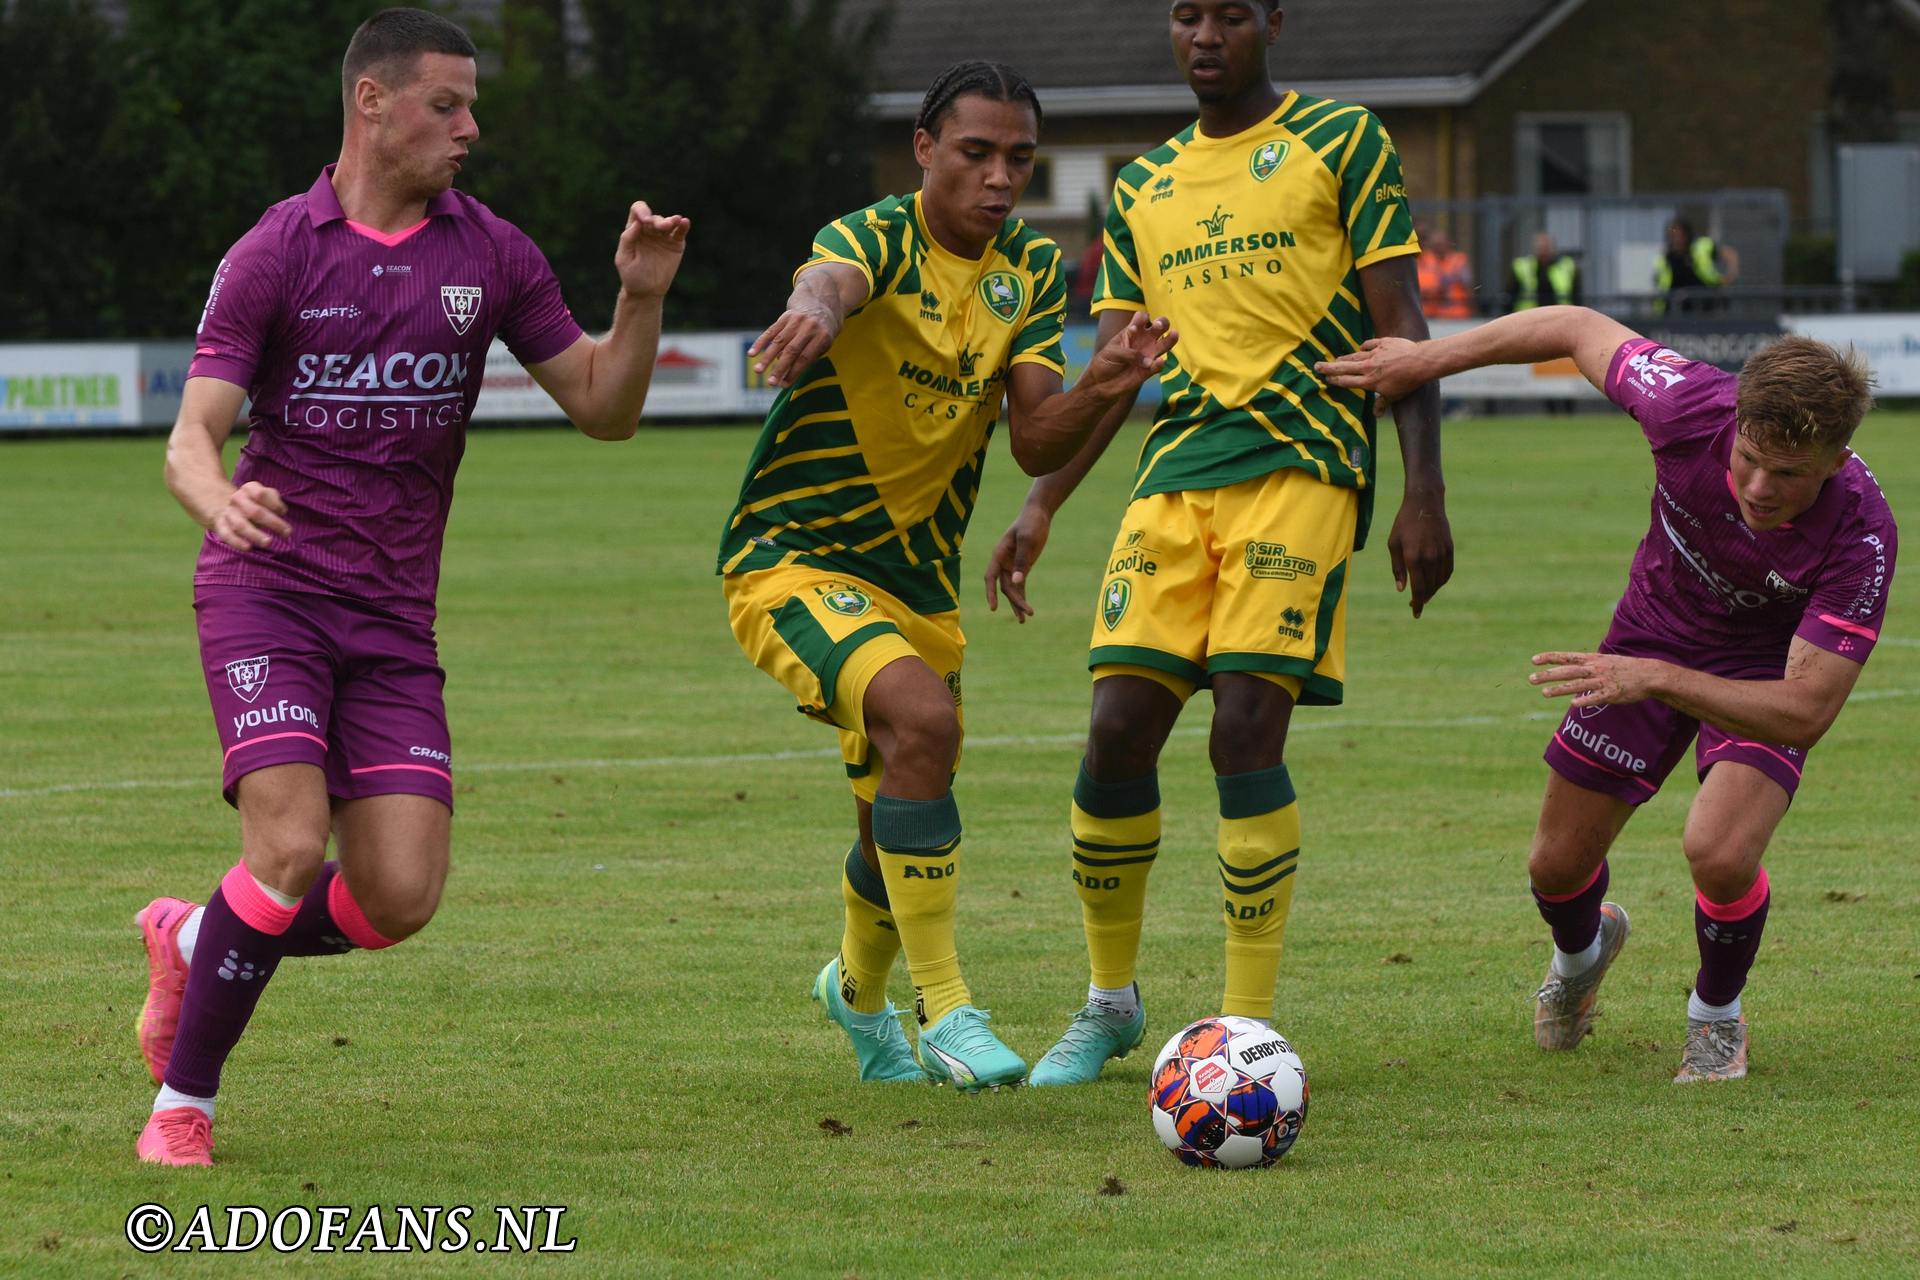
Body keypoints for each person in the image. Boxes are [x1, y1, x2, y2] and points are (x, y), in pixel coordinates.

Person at [138, 7, 690, 1166]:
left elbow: (605, 409)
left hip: (392, 619)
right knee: (286, 848)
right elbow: (194, 434)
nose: (470, 127)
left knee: (398, 896)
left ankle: (195, 932)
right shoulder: (276, 250)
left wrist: (637, 298)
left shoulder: (489, 252)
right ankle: (183, 1103)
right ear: (371, 104)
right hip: (268, 592)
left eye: (472, 105)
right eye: (447, 104)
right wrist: (217, 501)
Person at [983, 0, 1453, 1086]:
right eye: (1187, 14)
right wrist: (1043, 502)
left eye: (1230, 14)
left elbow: (1404, 327)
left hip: (1302, 466)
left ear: (1273, 24)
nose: (1206, 34)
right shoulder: (1144, 184)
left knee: (1244, 729)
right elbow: (1114, 367)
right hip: (1176, 475)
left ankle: (1244, 1032)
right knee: (1114, 731)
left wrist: (1422, 490)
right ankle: (1110, 1003)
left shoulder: (1342, 141)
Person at [719, 61, 1176, 1091]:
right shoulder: (876, 235)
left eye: (1020, 157)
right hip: (792, 559)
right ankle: (949, 1007)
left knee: (896, 810)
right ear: (925, 149)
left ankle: (855, 989)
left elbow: (1034, 437)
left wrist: (1104, 378)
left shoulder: (1025, 269)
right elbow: (830, 279)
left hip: (918, 584)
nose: (1000, 176)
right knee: (924, 724)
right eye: (976, 152)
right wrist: (814, 308)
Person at [1318, 306, 1894, 1083]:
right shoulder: (1688, 403)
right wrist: (1427, 360)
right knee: (1555, 866)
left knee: (1717, 852)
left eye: (1788, 475)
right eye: (1749, 457)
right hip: (1655, 628)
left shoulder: (1861, 534)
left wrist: (1655, 679)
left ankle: (1715, 1017)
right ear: (1736, 421)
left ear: (1832, 461)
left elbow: (1807, 710)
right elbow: (1573, 326)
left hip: (1763, 670)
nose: (1760, 487)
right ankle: (1581, 958)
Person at [1656, 218, 1739, 312]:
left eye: (1680, 235)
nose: (1677, 239)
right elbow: (1662, 285)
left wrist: (1730, 276)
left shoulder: (1701, 247)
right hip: (1677, 311)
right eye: (1673, 235)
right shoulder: (1666, 258)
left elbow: (1730, 254)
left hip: (1706, 306)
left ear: (1687, 235)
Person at [1508, 231, 1578, 312]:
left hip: (1560, 315)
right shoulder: (1523, 267)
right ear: (1534, 248)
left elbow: (1576, 296)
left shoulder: (1567, 266)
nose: (1543, 251)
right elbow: (1511, 296)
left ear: (1553, 248)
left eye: (1546, 247)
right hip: (1530, 316)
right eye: (1540, 248)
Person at [1418, 224, 1475, 319]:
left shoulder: (1459, 260)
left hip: (1459, 313)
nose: (1438, 248)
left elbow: (1468, 284)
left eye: (1441, 244)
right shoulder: (1425, 260)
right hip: (1434, 314)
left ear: (1448, 243)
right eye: (1435, 245)